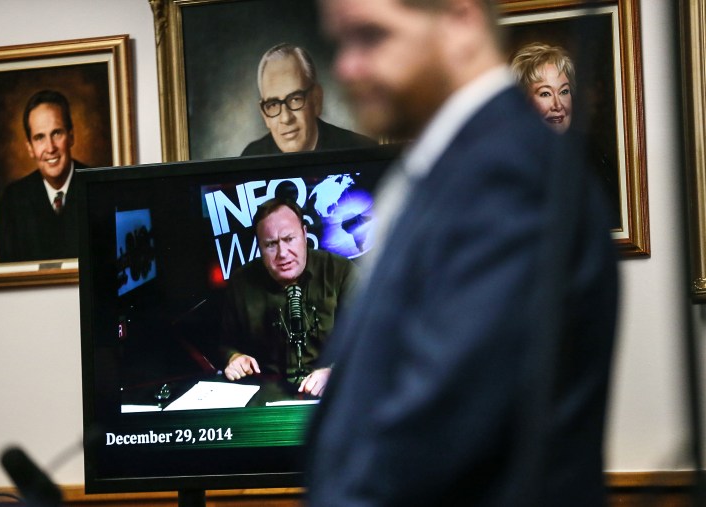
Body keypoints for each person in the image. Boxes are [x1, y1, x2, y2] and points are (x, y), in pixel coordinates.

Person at [307, 1, 618, 506]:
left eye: (371, 36)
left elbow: (434, 433)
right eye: (340, 42)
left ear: (460, 21)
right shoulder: (452, 166)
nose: (346, 67)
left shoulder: (510, 173)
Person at [219, 198, 357, 397]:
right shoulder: (242, 282)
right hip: (266, 396)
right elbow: (226, 344)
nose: (283, 253)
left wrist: (335, 371)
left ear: (304, 233)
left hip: (333, 395)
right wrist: (235, 358)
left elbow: (372, 341)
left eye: (289, 239)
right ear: (259, 247)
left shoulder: (342, 272)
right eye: (271, 245)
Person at [511, 42, 620, 226]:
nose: (558, 104)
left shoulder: (594, 158)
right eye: (545, 94)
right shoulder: (510, 166)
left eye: (564, 91)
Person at [0, 89, 86, 262]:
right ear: (30, 147)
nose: (50, 147)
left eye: (56, 133)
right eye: (39, 137)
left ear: (71, 136)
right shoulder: (12, 201)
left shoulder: (99, 187)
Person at [241, 43, 375, 156]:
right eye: (273, 104)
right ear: (265, 115)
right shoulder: (251, 157)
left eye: (295, 99)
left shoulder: (361, 151)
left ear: (316, 99)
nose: (286, 118)